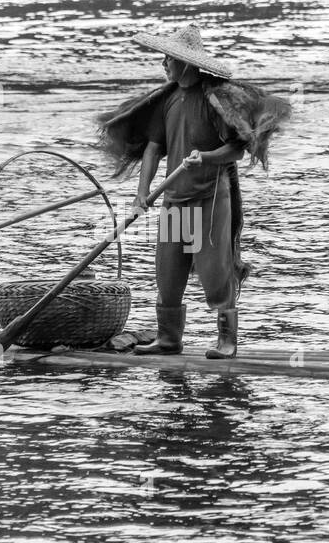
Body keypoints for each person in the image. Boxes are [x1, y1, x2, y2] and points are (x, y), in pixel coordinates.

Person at [95, 24, 291, 359]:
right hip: (174, 203)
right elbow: (154, 148)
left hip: (209, 200)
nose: (164, 65)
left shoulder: (215, 100)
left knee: (215, 271)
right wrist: (141, 194)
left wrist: (206, 158)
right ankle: (169, 339)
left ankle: (227, 341)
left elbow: (236, 150)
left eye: (168, 60)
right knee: (168, 272)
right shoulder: (168, 100)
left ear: (186, 64)